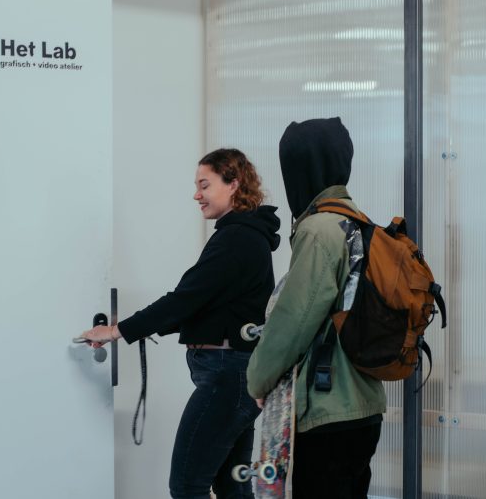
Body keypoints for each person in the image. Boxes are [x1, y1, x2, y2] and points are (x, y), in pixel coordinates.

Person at [80, 148, 280, 499]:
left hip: (227, 377)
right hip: (235, 374)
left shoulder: (237, 238)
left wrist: (115, 331)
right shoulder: (243, 234)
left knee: (188, 486)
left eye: (204, 185)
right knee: (231, 488)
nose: (196, 195)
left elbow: (185, 298)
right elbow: (201, 303)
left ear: (233, 184)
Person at [246, 118, 386, 498]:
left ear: (302, 169)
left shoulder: (319, 229)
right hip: (365, 405)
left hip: (328, 409)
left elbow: (293, 322)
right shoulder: (357, 222)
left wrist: (257, 379)